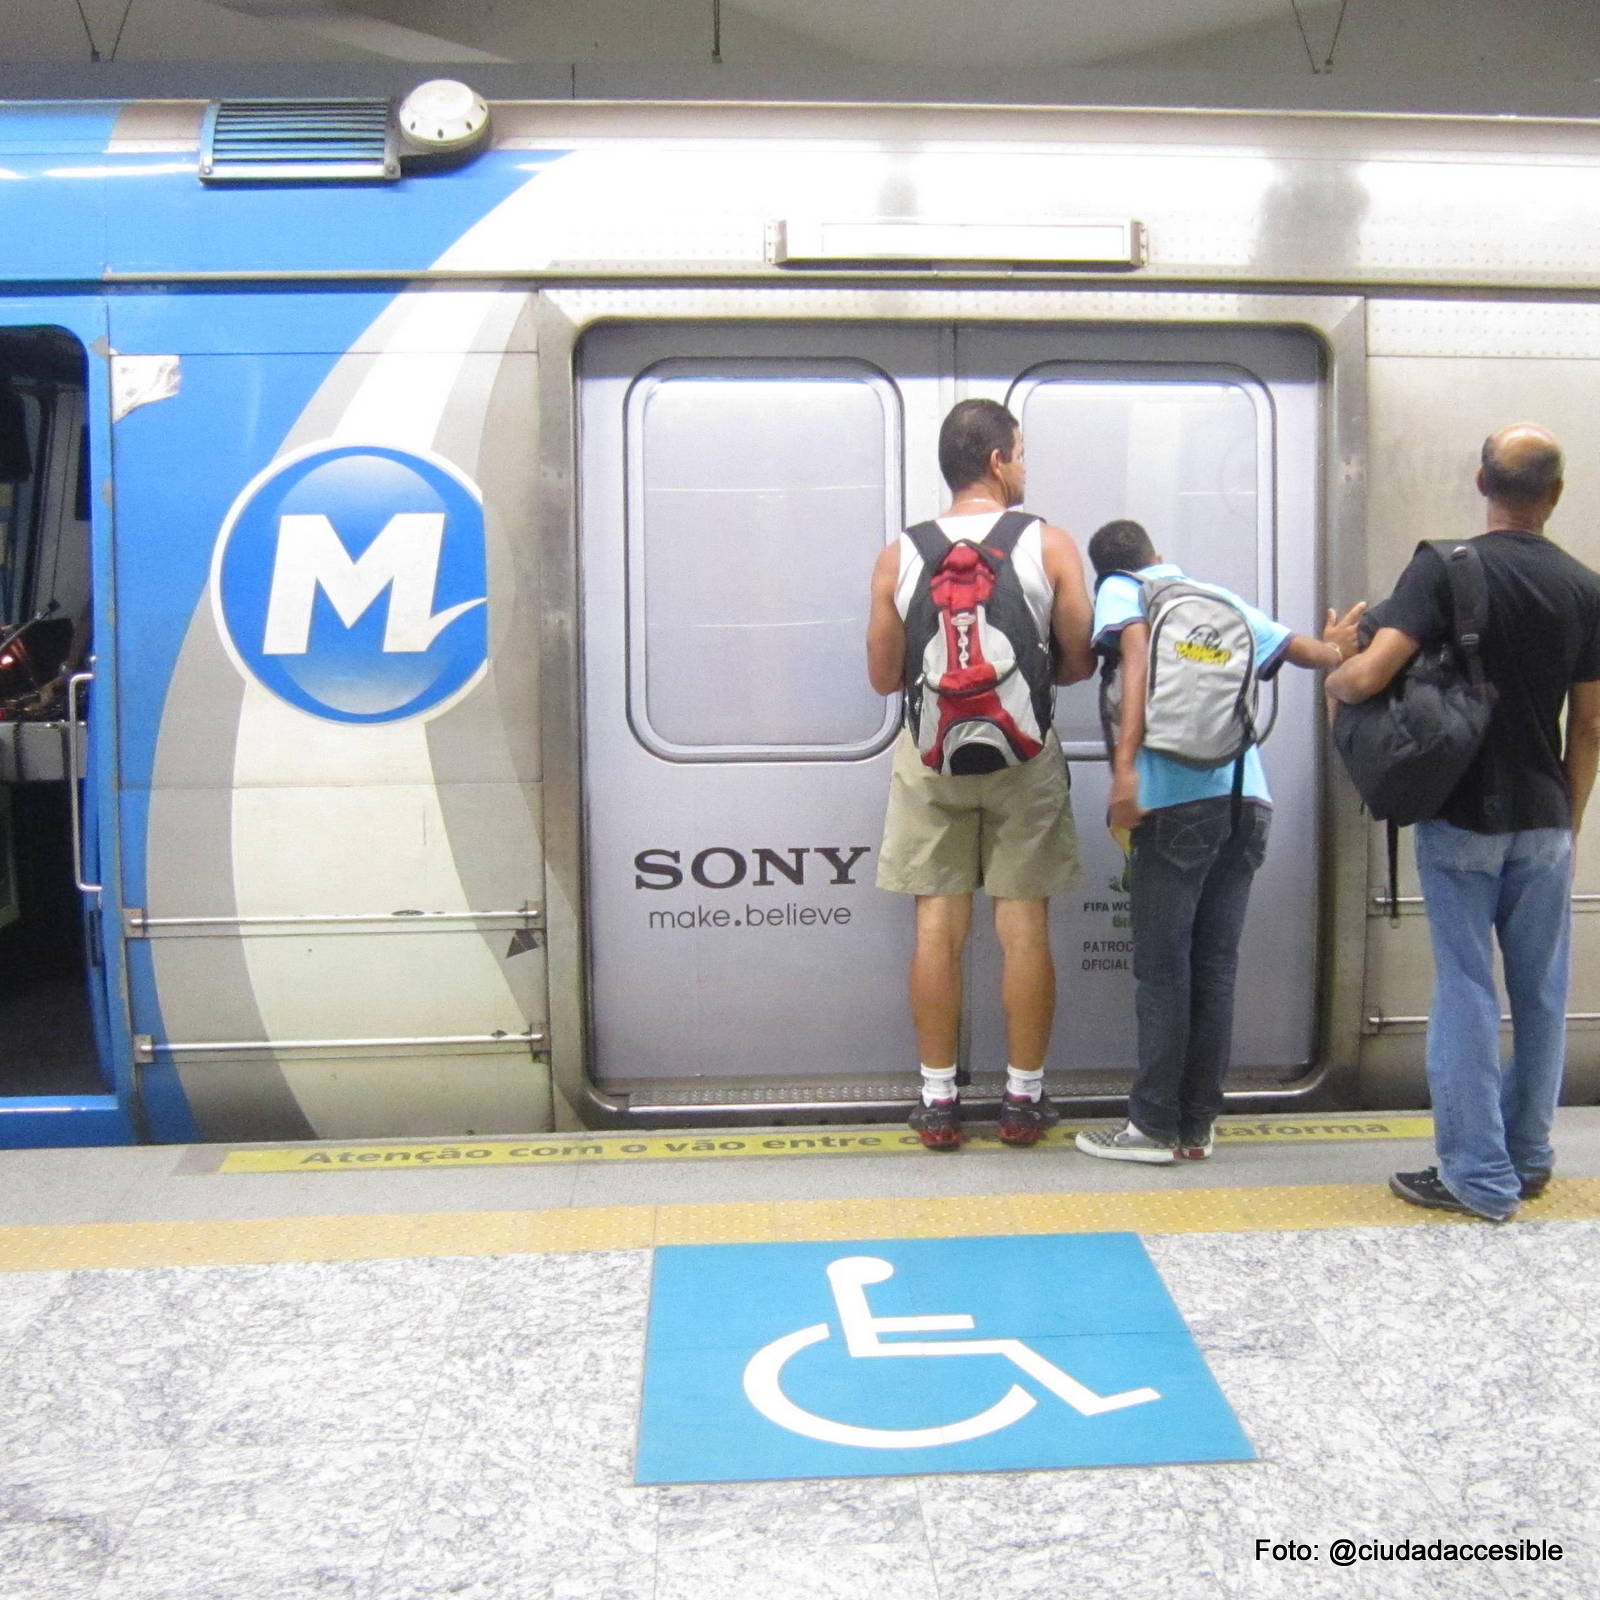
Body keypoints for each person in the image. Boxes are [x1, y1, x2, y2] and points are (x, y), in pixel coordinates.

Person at [1326, 424, 1600, 1221]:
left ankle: (1478, 1177)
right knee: (1542, 993)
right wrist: (1568, 824)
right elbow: (1588, 728)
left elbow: (1370, 674)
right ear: (1555, 494)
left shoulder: (1443, 568)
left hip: (1459, 817)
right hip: (1545, 818)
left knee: (1468, 990)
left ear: (1482, 483)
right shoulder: (1585, 587)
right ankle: (1529, 1156)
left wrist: (1337, 666)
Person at [1076, 518, 1363, 1165]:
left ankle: (1151, 1126)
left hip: (1174, 805)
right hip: (1246, 801)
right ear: (1161, 555)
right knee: (1214, 969)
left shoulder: (1125, 592)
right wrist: (1337, 646)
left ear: (1113, 570)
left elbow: (1136, 654)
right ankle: (1196, 1127)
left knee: (1162, 971)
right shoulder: (1218, 598)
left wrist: (1124, 772)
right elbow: (1308, 653)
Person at [866, 399, 1096, 1150]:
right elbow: (1078, 660)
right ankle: (1023, 1102)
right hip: (1025, 756)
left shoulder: (899, 553)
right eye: (1021, 453)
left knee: (938, 926)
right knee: (1022, 926)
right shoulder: (1051, 545)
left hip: (931, 755)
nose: (1025, 466)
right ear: (997, 461)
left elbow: (881, 677)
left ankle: (938, 1102)